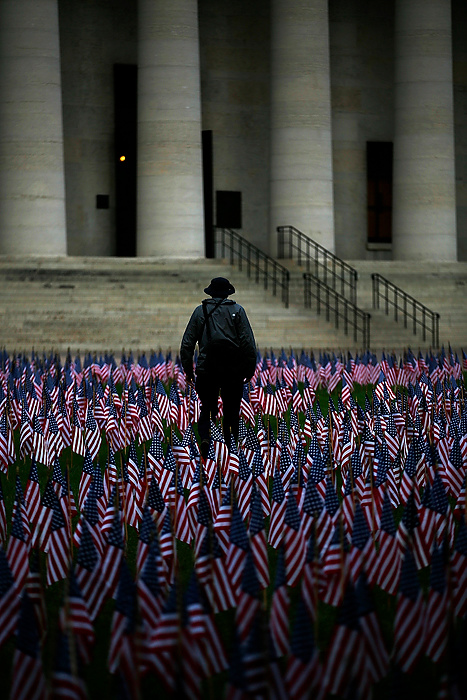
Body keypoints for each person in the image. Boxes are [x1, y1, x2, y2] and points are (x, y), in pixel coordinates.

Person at [180, 276, 257, 457]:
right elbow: (248, 342)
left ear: (211, 292)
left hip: (207, 367)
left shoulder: (201, 311)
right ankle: (230, 446)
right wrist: (249, 367)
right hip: (233, 369)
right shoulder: (238, 311)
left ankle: (206, 437)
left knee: (206, 407)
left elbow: (187, 344)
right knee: (232, 409)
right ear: (228, 293)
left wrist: (188, 370)